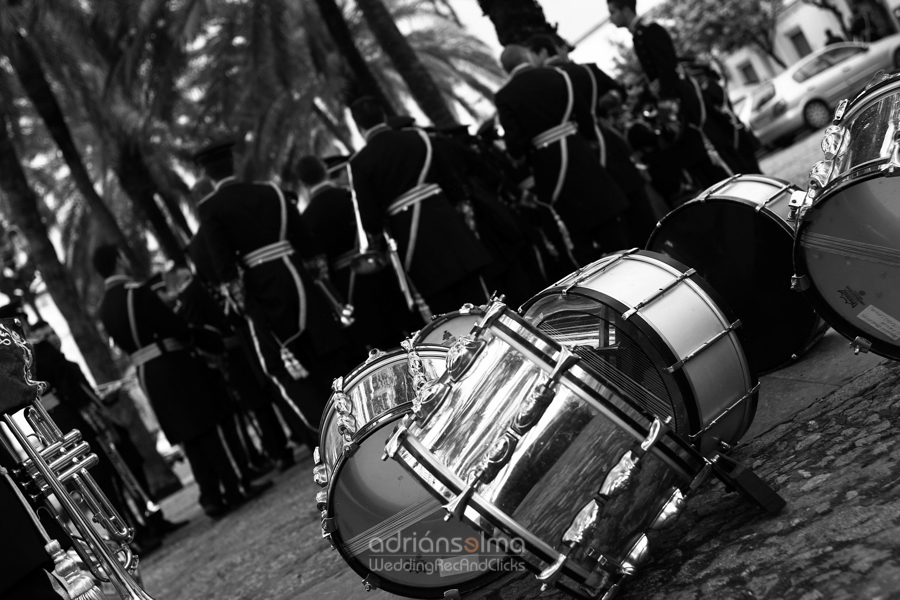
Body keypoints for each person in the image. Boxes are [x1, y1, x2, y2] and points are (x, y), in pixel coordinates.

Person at [192, 140, 348, 454]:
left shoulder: (210, 208)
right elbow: (308, 244)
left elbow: (225, 267)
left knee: (280, 366)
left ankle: (329, 434)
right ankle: (355, 411)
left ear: (208, 175)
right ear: (234, 163)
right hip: (298, 278)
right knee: (326, 348)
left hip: (263, 290)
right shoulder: (272, 191)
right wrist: (318, 282)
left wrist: (245, 307)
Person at [92, 244, 269, 519]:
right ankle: (235, 487)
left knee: (190, 438)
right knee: (208, 427)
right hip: (172, 364)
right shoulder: (134, 293)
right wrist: (203, 339)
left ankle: (211, 496)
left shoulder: (104, 307)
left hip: (148, 374)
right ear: (118, 260)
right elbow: (173, 327)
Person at [348, 97, 493, 315]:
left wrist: (378, 241)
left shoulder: (359, 163)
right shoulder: (420, 138)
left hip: (413, 243)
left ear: (359, 127)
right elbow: (452, 183)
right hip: (450, 228)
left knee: (446, 316)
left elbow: (370, 217)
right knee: (480, 303)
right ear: (384, 116)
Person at [495, 44, 630, 271]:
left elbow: (515, 146)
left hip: (548, 167)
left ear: (505, 69)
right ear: (528, 55)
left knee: (578, 237)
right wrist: (585, 140)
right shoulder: (558, 75)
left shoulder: (504, 95)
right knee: (611, 224)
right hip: (580, 153)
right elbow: (585, 117)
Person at [296, 155, 416, 360]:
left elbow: (317, 269)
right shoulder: (350, 197)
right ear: (324, 170)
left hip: (348, 287)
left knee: (379, 346)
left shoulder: (306, 219)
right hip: (378, 269)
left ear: (303, 183)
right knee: (406, 328)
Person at [608, 0, 730, 190]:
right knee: (694, 163)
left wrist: (667, 112)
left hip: (680, 103)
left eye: (613, 12)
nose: (611, 18)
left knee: (703, 157)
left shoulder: (650, 30)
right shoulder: (639, 34)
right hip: (671, 102)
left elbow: (667, 72)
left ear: (625, 10)